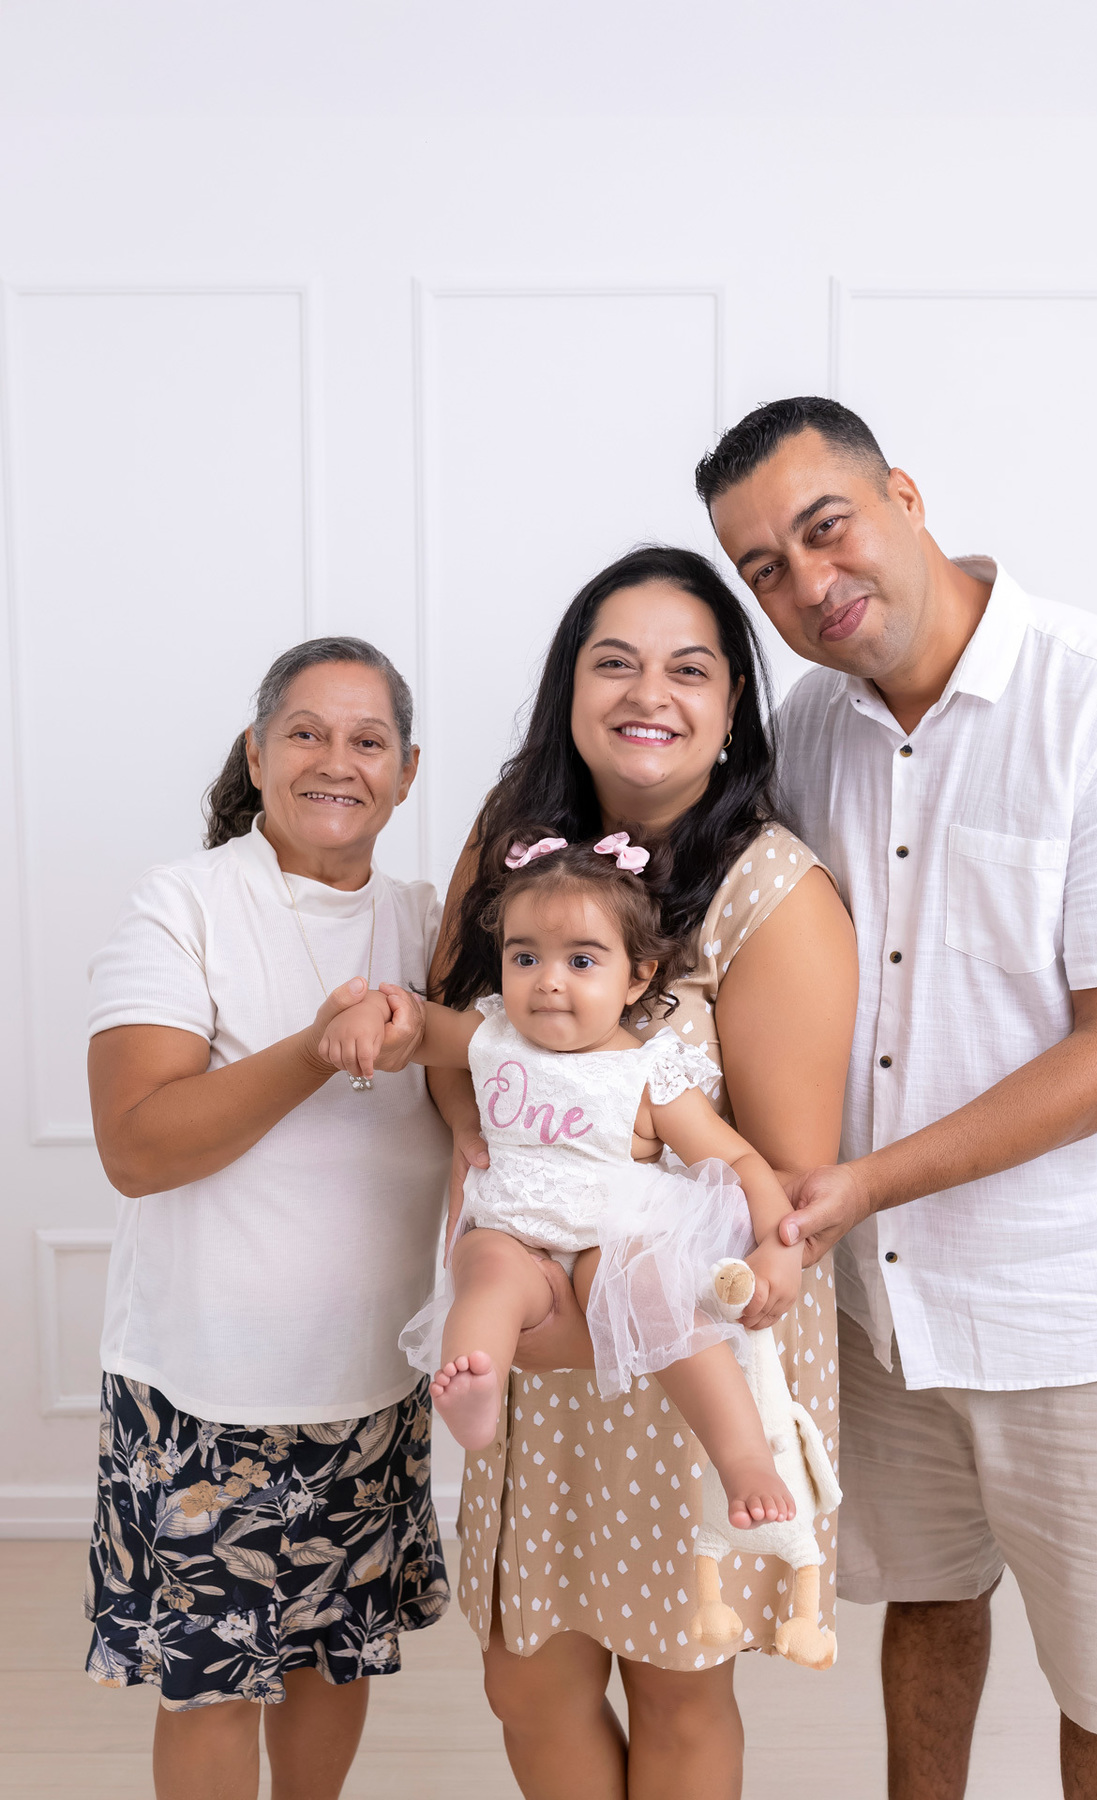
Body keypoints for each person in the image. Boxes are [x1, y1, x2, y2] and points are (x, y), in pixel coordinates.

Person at [699, 395, 1097, 1800]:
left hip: (1078, 1315)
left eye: (826, 528)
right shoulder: (811, 726)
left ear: (905, 498)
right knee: (927, 1604)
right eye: (765, 569)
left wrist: (861, 1185)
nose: (810, 583)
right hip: (882, 1303)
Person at [427, 545, 858, 1799]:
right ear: (570, 687)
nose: (648, 693)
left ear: (733, 703)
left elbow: (783, 1185)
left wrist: (589, 1319)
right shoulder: (510, 840)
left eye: (688, 669)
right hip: (526, 1298)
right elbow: (455, 1034)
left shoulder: (772, 892)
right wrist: (469, 1146)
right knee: (526, 1671)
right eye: (613, 663)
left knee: (676, 1675)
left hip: (684, 1337)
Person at [85, 637, 450, 1800]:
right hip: (204, 1393)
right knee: (210, 1686)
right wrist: (312, 1050)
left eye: (368, 740)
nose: (336, 761)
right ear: (256, 753)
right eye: (305, 732)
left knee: (337, 1660)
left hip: (371, 1383)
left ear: (406, 772)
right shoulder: (184, 904)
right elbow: (136, 1148)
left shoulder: (432, 922)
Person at [327, 835, 829, 1542]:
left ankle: (743, 1457)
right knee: (486, 1272)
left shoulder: (648, 1074)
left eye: (582, 962)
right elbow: (412, 1028)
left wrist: (779, 1246)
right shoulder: (492, 1037)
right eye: (525, 958)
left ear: (637, 978)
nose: (548, 982)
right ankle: (475, 1379)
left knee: (653, 1291)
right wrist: (369, 1019)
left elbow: (740, 1163)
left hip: (610, 1240)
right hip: (512, 1231)